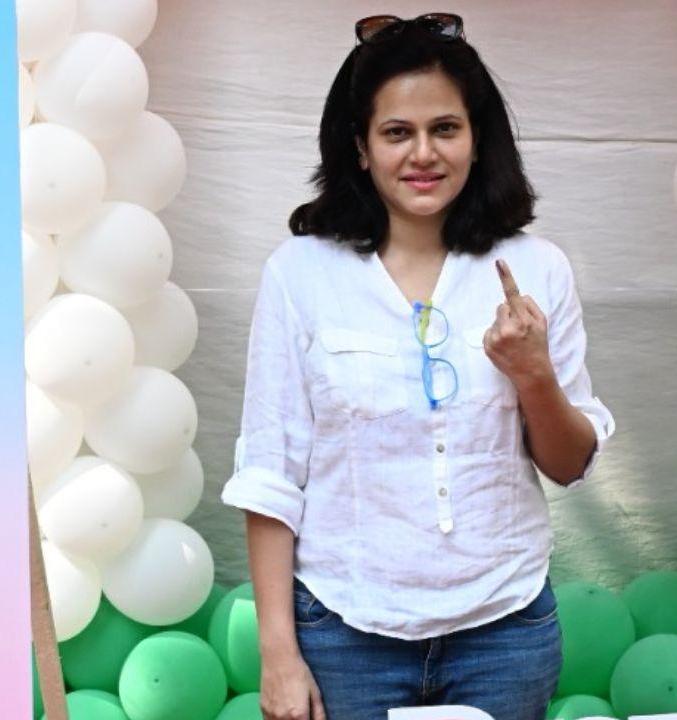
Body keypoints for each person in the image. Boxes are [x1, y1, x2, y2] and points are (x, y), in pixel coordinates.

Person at [221, 13, 615, 720]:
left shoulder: (535, 268)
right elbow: (272, 471)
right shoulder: (300, 274)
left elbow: (569, 463)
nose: (423, 153)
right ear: (360, 148)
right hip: (344, 631)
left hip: (505, 628)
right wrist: (279, 655)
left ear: (477, 139)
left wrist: (532, 374)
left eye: (446, 129)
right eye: (397, 132)